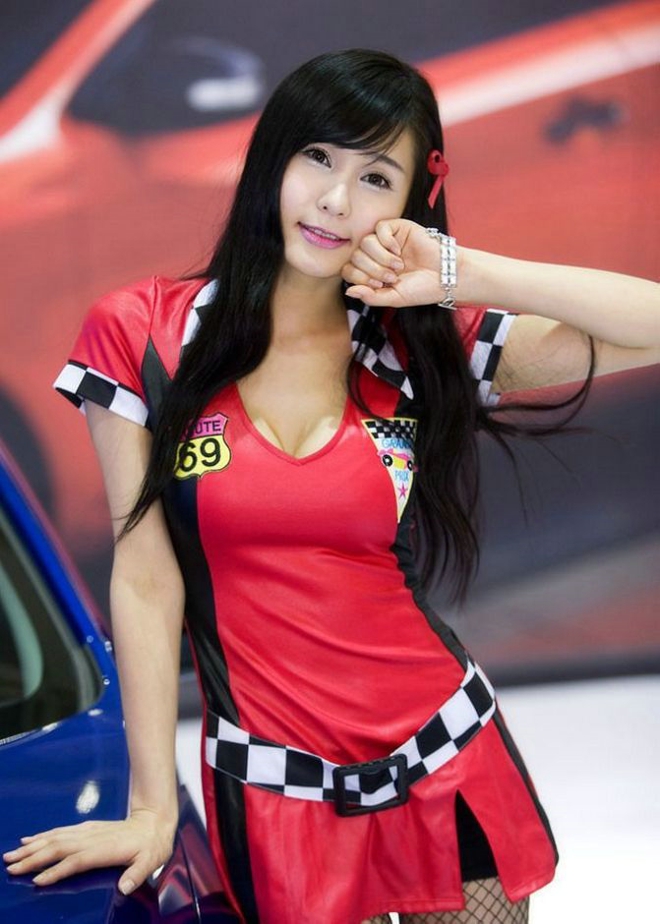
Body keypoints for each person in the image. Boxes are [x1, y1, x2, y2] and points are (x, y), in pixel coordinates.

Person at [4, 49, 658, 924]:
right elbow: (148, 580)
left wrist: (464, 272)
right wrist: (152, 807)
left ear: (410, 204)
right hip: (275, 791)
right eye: (318, 157)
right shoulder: (143, 335)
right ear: (272, 157)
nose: (336, 201)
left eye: (376, 177)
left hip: (445, 754)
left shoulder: (423, 344)